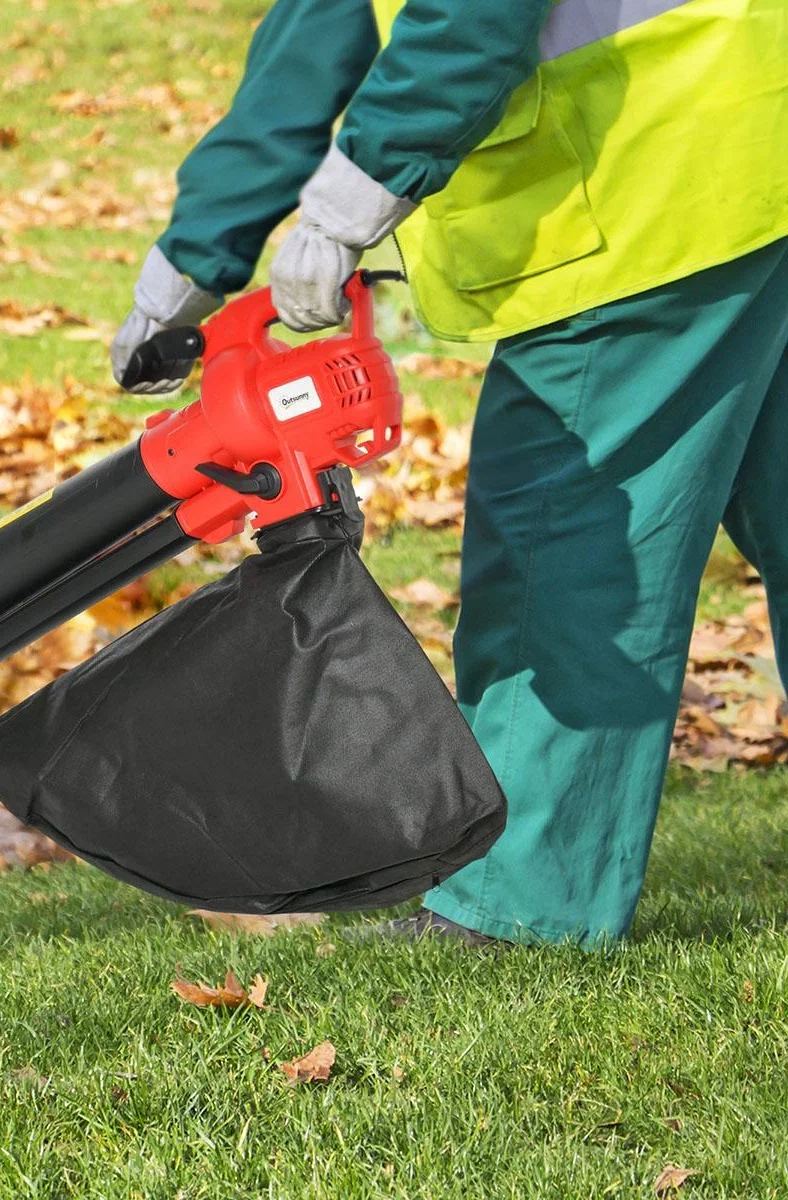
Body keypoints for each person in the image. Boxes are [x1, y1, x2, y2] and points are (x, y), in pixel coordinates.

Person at [109, 0, 788, 947]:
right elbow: (328, 19)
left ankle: (522, 904)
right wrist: (195, 252)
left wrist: (351, 202)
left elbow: (471, 14)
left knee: (568, 532)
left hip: (659, 173)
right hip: (751, 117)